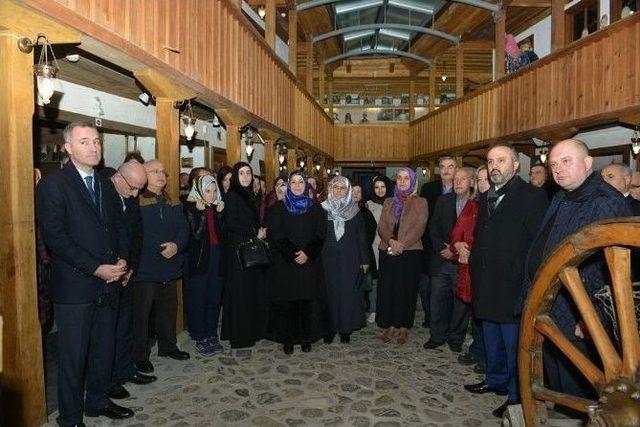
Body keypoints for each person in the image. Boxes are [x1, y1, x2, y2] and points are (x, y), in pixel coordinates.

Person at [36, 122, 134, 424]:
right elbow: (56, 237)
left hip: (109, 283)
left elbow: (119, 227)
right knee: (73, 358)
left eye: (96, 141)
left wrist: (122, 260)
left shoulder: (105, 182)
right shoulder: (54, 185)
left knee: (104, 349)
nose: (93, 147)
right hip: (75, 287)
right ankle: (70, 417)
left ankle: (98, 401)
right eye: (84, 141)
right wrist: (96, 268)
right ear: (68, 148)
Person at [523, 141, 631, 405]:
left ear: (588, 163)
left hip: (578, 317)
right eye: (554, 164)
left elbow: (610, 268)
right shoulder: (561, 196)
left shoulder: (605, 202)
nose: (558, 169)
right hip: (550, 305)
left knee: (579, 395)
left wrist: (591, 316)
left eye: (566, 161)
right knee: (557, 386)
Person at [464, 144, 548, 419]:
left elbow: (537, 244)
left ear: (516, 165)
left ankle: (515, 396)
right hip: (487, 282)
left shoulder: (532, 196)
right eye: (490, 161)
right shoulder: (487, 195)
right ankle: (495, 379)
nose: (494, 166)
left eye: (501, 160)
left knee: (514, 345)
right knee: (491, 338)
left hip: (512, 285)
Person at [100, 160, 157, 401]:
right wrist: (116, 268)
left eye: (139, 190)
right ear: (118, 179)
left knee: (125, 328)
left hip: (126, 274)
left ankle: (125, 369)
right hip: (106, 275)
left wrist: (130, 266)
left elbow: (136, 235)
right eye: (133, 188)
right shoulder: (103, 195)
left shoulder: (130, 198)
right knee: (107, 334)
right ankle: (109, 381)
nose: (135, 194)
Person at [132, 159, 191, 374]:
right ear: (143, 176)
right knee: (142, 316)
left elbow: (184, 230)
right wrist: (160, 249)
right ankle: (140, 356)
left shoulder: (173, 201)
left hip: (169, 266)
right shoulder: (136, 201)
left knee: (168, 310)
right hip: (145, 269)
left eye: (163, 171)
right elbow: (136, 234)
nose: (161, 175)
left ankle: (168, 346)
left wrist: (177, 245)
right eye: (155, 171)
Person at [265, 171, 329, 354]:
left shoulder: (316, 208)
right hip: (286, 264)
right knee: (288, 303)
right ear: (288, 185)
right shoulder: (278, 208)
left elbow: (320, 234)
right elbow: (277, 235)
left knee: (307, 302)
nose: (297, 185)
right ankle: (288, 340)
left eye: (301, 181)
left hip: (309, 263)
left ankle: (306, 338)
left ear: (306, 185)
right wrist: (294, 254)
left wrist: (307, 253)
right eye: (293, 182)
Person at [423, 167, 474, 353]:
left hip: (463, 262)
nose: (458, 182)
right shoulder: (443, 201)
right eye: (456, 180)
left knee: (460, 304)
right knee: (437, 300)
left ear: (471, 182)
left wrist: (456, 251)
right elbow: (433, 227)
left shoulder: (476, 204)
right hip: (441, 260)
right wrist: (441, 248)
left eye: (463, 179)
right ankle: (436, 336)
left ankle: (455, 338)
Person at [376, 168, 428, 345]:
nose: (403, 181)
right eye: (399, 178)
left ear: (413, 182)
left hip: (410, 252)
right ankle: (389, 325)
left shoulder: (421, 202)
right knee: (388, 289)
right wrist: (391, 241)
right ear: (395, 181)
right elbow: (381, 226)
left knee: (406, 290)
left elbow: (420, 227)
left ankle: (404, 326)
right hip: (388, 250)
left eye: (407, 178)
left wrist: (401, 245)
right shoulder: (389, 202)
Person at [221, 162, 268, 348]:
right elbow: (232, 223)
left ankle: (251, 331)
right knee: (240, 293)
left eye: (249, 173)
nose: (246, 177)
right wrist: (254, 233)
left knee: (250, 292)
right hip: (239, 249)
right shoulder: (233, 195)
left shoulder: (249, 194)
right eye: (242, 173)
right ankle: (240, 336)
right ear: (235, 176)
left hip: (248, 246)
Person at [321, 176, 370, 344]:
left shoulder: (355, 211)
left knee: (348, 294)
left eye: (343, 188)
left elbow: (362, 237)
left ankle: (345, 329)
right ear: (330, 189)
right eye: (336, 188)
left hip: (351, 258)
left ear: (348, 191)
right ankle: (330, 328)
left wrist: (365, 260)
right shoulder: (322, 209)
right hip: (327, 259)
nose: (339, 191)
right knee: (330, 294)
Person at [184, 175, 226, 356]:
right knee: (198, 298)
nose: (211, 194)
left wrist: (221, 214)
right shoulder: (190, 208)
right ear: (199, 191)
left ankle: (211, 334)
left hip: (217, 258)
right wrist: (200, 214)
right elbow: (196, 236)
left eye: (214, 191)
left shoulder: (218, 208)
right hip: (200, 260)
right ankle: (200, 335)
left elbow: (225, 235)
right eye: (208, 191)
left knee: (214, 298)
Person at [457, 165, 489, 373]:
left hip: (486, 267)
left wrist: (472, 252)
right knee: (476, 311)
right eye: (479, 180)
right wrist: (458, 244)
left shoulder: (496, 203)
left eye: (486, 179)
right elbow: (458, 229)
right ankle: (478, 350)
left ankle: (489, 358)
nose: (483, 183)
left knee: (486, 312)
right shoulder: (473, 203)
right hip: (469, 266)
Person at [418, 156, 457, 327]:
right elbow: (423, 219)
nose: (446, 170)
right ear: (438, 169)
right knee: (427, 288)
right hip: (430, 246)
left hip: (456, 248)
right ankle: (430, 318)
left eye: (450, 166)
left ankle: (448, 322)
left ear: (456, 168)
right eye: (442, 167)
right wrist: (438, 244)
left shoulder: (464, 188)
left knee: (451, 290)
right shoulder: (428, 188)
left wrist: (453, 246)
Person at [365, 175, 393, 323]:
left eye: (383, 187)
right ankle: (374, 309)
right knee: (375, 280)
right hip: (374, 246)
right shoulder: (368, 204)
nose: (380, 190)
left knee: (388, 279)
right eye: (377, 187)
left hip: (391, 246)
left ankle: (387, 309)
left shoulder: (395, 203)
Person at [353, 184, 378, 320]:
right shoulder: (343, 210)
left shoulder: (366, 212)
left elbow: (371, 231)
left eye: (359, 191)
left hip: (364, 251)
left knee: (368, 282)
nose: (356, 194)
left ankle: (371, 310)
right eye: (354, 191)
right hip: (349, 254)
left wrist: (361, 248)